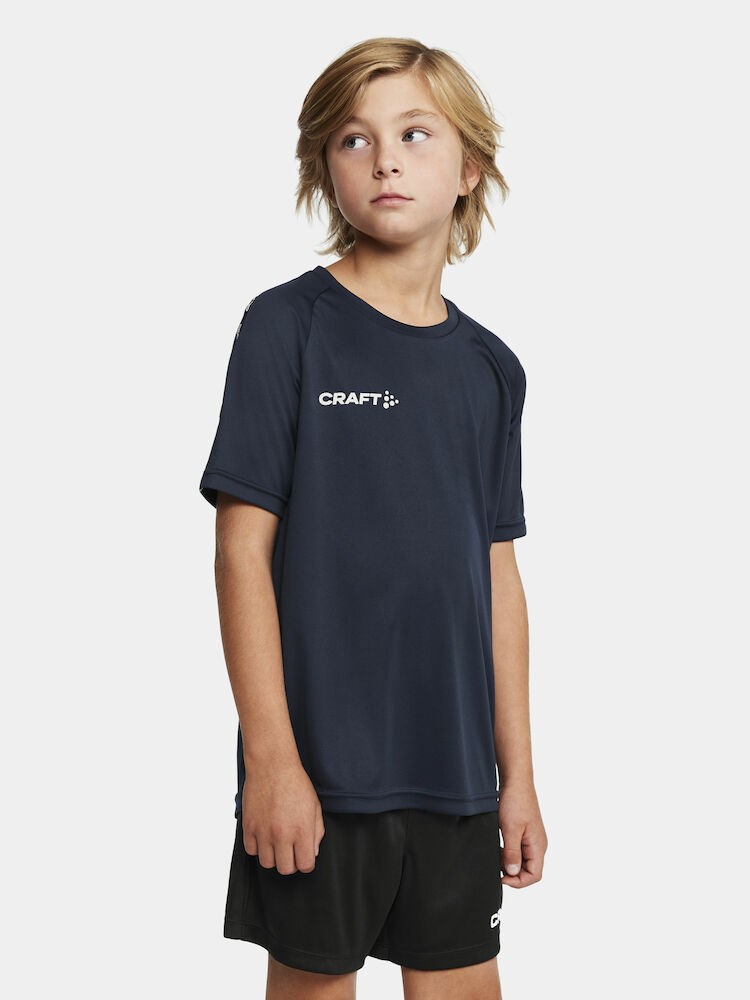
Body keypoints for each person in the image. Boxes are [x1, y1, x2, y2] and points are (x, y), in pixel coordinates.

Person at [198, 36, 547, 1000]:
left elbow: (496, 576)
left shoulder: (491, 370)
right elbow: (240, 554)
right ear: (327, 171)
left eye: (414, 134)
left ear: (469, 168)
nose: (385, 158)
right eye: (355, 139)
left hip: (456, 776)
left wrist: (517, 774)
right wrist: (271, 758)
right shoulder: (288, 328)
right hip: (320, 775)